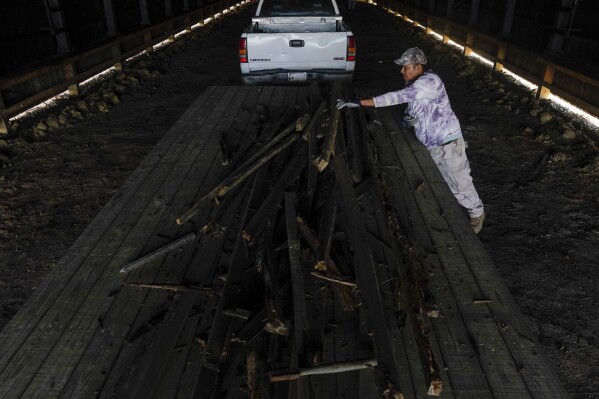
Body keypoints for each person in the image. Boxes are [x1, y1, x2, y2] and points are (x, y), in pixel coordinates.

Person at [337, 47, 485, 233]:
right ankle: (461, 208)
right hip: (434, 143)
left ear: (418, 67)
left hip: (448, 141)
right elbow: (413, 108)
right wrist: (409, 118)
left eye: (405, 67)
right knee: (448, 181)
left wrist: (360, 102)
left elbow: (396, 97)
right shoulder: (414, 85)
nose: (401, 71)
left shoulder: (429, 82)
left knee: (460, 179)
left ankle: (476, 213)